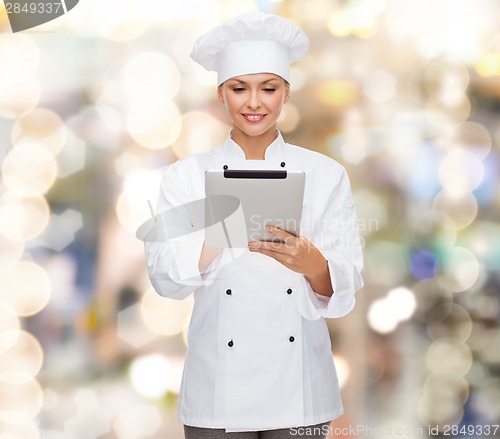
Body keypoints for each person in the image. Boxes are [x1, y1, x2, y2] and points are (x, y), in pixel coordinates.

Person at [143, 11, 364, 439]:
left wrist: (311, 262)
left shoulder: (325, 174)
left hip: (300, 389)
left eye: (269, 88)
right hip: (216, 391)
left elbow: (348, 280)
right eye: (239, 89)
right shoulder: (185, 177)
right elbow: (165, 277)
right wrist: (221, 234)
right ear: (221, 94)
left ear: (286, 93)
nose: (254, 102)